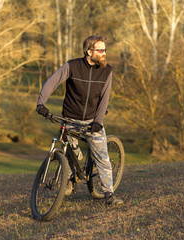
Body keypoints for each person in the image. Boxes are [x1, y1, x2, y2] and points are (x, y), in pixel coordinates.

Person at [36, 35, 123, 205]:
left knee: (103, 158)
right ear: (89, 52)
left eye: (105, 50)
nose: (104, 53)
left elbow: (105, 98)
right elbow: (51, 83)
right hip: (70, 120)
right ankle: (68, 181)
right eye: (100, 50)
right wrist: (41, 103)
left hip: (92, 122)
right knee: (71, 153)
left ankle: (108, 195)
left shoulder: (107, 71)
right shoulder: (72, 66)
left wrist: (98, 122)